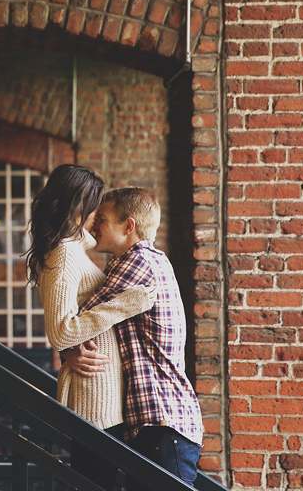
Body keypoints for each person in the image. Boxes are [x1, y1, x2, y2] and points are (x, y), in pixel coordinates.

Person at [62, 187, 203, 487]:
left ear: (129, 226)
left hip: (163, 422)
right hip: (157, 425)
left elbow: (75, 323)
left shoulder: (138, 262)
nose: (93, 225)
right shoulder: (135, 262)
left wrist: (67, 349)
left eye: (101, 219)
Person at [26, 166, 156, 433]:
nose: (98, 217)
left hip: (103, 391)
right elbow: (62, 332)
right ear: (78, 206)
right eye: (96, 207)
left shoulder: (71, 251)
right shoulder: (63, 254)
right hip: (94, 395)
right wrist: (125, 305)